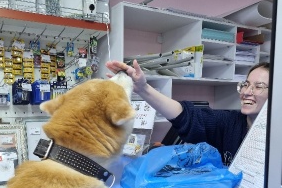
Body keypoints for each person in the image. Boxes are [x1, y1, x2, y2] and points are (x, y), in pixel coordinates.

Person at [106, 59, 269, 166]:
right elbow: (187, 117)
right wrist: (143, 89)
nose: (247, 92)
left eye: (259, 86)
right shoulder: (231, 122)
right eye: (246, 84)